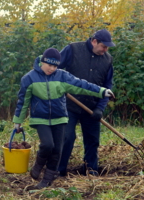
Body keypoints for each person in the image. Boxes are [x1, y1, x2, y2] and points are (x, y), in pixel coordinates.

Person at [13, 47, 114, 189]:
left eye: (55, 66)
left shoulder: (62, 76)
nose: (52, 69)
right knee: (48, 144)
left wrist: (102, 91)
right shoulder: (29, 79)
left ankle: (46, 181)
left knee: (57, 150)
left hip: (59, 118)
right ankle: (39, 164)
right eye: (49, 65)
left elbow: (81, 85)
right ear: (42, 62)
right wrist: (18, 122)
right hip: (40, 119)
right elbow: (23, 102)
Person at [58, 29, 116, 176]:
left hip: (92, 107)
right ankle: (59, 170)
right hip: (69, 104)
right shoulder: (73, 49)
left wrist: (100, 108)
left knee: (92, 140)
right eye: (103, 46)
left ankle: (91, 170)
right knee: (67, 137)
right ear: (94, 41)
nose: (105, 50)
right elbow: (54, 68)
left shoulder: (107, 60)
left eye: (107, 47)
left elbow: (107, 86)